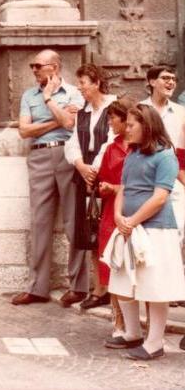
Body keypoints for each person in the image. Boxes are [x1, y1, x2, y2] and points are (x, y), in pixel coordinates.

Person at [103, 104, 185, 360]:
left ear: (147, 126)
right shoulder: (132, 155)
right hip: (128, 226)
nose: (126, 130)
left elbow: (160, 197)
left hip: (156, 229)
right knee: (122, 280)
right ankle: (132, 333)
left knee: (154, 285)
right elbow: (123, 189)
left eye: (130, 125)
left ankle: (155, 342)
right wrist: (119, 217)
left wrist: (133, 220)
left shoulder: (165, 157)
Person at [12, 49, 87, 307]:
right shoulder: (28, 95)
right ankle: (37, 287)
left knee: (73, 221)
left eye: (38, 66)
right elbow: (24, 130)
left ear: (54, 68)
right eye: (32, 66)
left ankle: (78, 286)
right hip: (39, 157)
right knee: (40, 221)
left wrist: (48, 101)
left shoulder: (74, 93)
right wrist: (55, 119)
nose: (33, 69)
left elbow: (71, 124)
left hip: (68, 156)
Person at [63, 64, 116, 309]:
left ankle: (110, 286)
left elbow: (110, 142)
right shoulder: (83, 112)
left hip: (106, 176)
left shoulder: (113, 107)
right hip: (85, 177)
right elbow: (72, 142)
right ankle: (100, 287)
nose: (80, 88)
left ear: (96, 83)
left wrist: (92, 168)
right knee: (91, 233)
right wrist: (80, 165)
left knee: (107, 232)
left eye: (83, 82)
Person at [95, 97, 135, 337]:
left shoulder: (143, 147)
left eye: (113, 118)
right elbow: (103, 178)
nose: (110, 122)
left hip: (136, 208)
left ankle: (136, 324)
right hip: (112, 210)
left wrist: (115, 187)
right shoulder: (111, 147)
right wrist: (105, 187)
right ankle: (119, 322)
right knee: (113, 265)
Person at [139, 65, 185, 234]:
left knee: (179, 229)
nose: (171, 82)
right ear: (152, 82)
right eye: (165, 78)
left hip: (175, 179)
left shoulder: (181, 112)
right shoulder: (139, 110)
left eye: (173, 79)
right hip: (145, 179)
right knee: (148, 232)